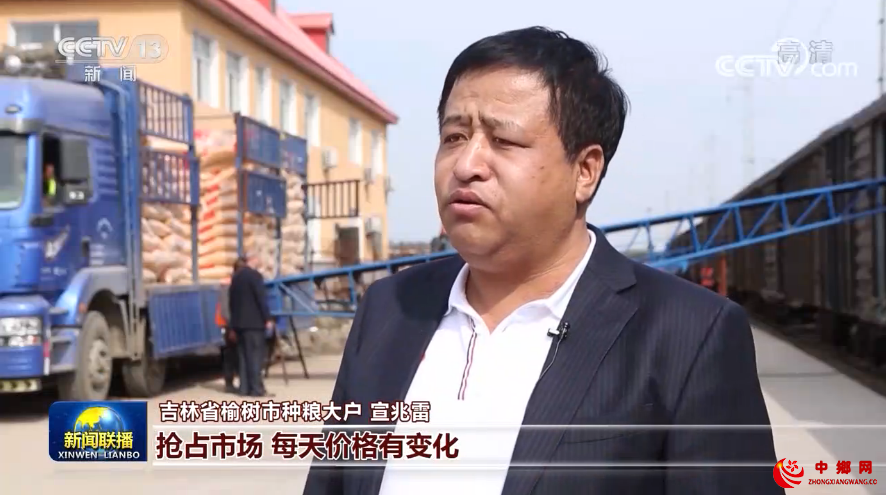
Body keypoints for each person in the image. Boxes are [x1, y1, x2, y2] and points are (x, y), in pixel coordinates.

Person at [303, 26, 780, 495]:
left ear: (585, 171)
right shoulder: (390, 308)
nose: (466, 165)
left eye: (503, 141)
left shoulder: (688, 334)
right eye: (454, 137)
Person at [228, 255, 274, 397]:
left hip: (239, 324)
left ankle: (244, 388)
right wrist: (267, 318)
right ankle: (256, 389)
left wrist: (233, 325)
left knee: (243, 357)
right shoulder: (255, 276)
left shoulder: (235, 278)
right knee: (255, 357)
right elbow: (261, 298)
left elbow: (232, 303)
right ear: (253, 260)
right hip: (254, 323)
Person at [215, 274, 238, 393]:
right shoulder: (226, 286)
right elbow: (225, 310)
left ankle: (232, 382)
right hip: (227, 325)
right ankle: (229, 383)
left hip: (228, 324)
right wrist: (231, 326)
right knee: (230, 354)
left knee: (232, 354)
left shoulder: (230, 284)